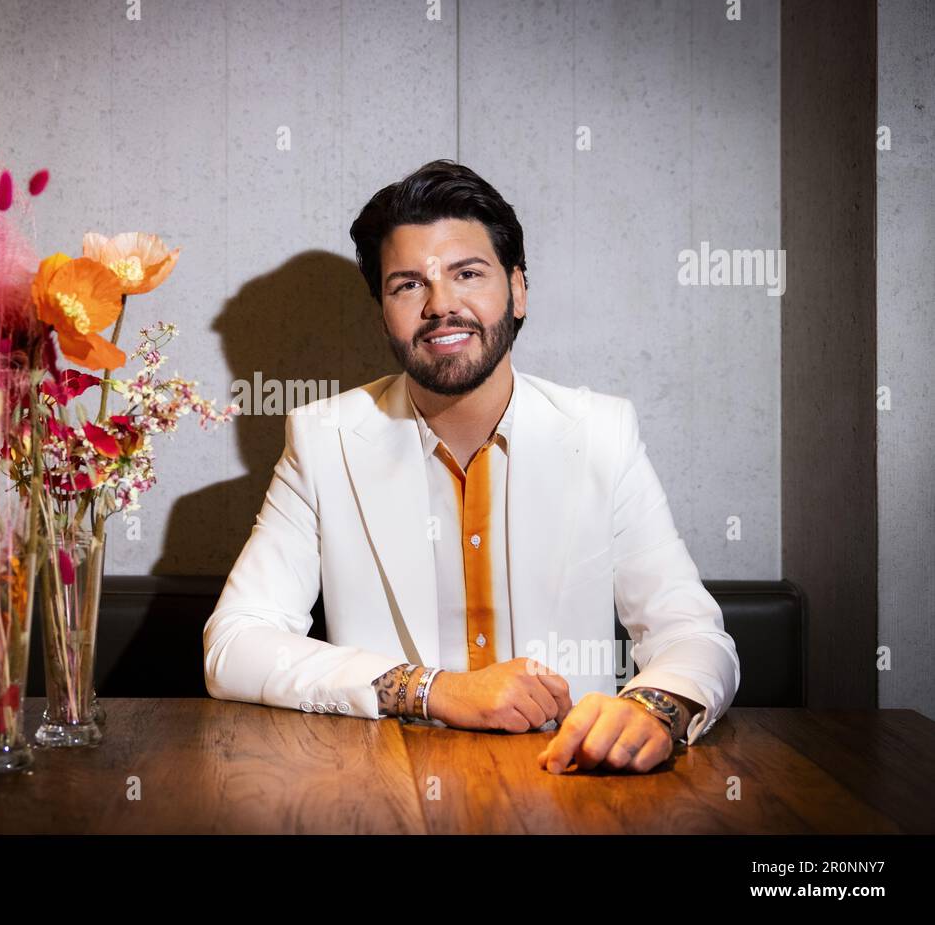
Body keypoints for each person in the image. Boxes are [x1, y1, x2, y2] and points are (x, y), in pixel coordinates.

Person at [203, 159, 739, 774]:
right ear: (382, 312)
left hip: (569, 785)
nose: (441, 305)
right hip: (389, 791)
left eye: (468, 274)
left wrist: (653, 706)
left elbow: (693, 634)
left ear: (518, 289)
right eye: (408, 284)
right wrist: (434, 689)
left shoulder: (602, 433)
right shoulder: (324, 440)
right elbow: (234, 644)